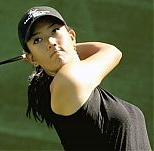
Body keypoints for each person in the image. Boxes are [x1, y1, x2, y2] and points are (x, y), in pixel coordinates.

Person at [17, 6, 151, 151]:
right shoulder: (66, 79)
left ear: (72, 36)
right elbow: (112, 51)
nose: (50, 42)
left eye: (55, 31)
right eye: (37, 40)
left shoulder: (68, 85)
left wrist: (49, 52)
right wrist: (67, 46)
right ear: (32, 58)